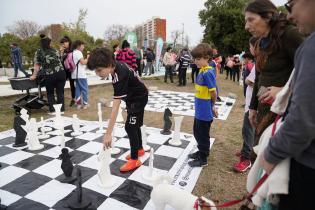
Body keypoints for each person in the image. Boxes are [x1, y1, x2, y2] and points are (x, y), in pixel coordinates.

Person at [258, 0, 315, 209]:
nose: (290, 15)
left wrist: (271, 154)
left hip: (306, 165)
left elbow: (303, 119)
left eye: (291, 5)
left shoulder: (302, 42)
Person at [245, 0, 304, 146]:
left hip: (285, 112)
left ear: (268, 16)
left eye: (251, 20)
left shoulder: (290, 35)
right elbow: (258, 76)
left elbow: (309, 71)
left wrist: (285, 90)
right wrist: (252, 107)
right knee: (258, 151)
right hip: (264, 108)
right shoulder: (260, 43)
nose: (246, 26)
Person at [87, 47, 148, 172]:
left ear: (109, 65)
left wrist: (108, 133)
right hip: (136, 97)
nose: (98, 74)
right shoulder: (117, 67)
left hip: (138, 99)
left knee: (130, 127)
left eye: (99, 70)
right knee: (135, 125)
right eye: (95, 71)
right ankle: (139, 149)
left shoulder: (119, 76)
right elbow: (136, 76)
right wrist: (144, 87)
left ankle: (135, 159)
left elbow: (115, 108)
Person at [188, 43, 218, 167]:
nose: (196, 61)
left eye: (199, 59)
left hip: (205, 110)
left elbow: (214, 92)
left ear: (207, 57)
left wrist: (213, 106)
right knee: (196, 131)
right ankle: (201, 151)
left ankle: (203, 157)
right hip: (199, 110)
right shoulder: (201, 70)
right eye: (195, 59)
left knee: (202, 134)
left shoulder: (207, 73)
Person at [234, 38, 258, 173]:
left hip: (254, 105)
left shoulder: (259, 63)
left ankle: (247, 158)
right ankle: (245, 150)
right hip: (251, 102)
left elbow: (252, 81)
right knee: (248, 130)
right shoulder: (256, 63)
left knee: (248, 130)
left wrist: (249, 81)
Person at [30, 34, 66, 113]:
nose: (51, 44)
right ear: (48, 43)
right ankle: (61, 110)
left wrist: (34, 75)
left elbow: (37, 65)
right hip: (61, 73)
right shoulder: (55, 50)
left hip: (50, 75)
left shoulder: (39, 52)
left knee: (50, 93)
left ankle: (53, 111)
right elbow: (59, 59)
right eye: (50, 43)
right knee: (60, 92)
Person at [71, 40, 89, 109]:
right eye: (83, 45)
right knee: (84, 89)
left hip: (75, 74)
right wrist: (87, 58)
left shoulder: (73, 52)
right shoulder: (78, 52)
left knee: (77, 89)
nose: (83, 47)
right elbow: (83, 62)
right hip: (81, 74)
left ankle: (78, 104)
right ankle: (85, 104)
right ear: (79, 46)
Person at [60, 36, 76, 107]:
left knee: (72, 85)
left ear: (68, 42)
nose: (64, 44)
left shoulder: (72, 50)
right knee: (61, 85)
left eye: (65, 43)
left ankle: (73, 99)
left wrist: (64, 53)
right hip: (64, 70)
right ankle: (61, 99)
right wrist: (61, 53)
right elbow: (60, 60)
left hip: (71, 69)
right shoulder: (62, 50)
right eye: (62, 43)